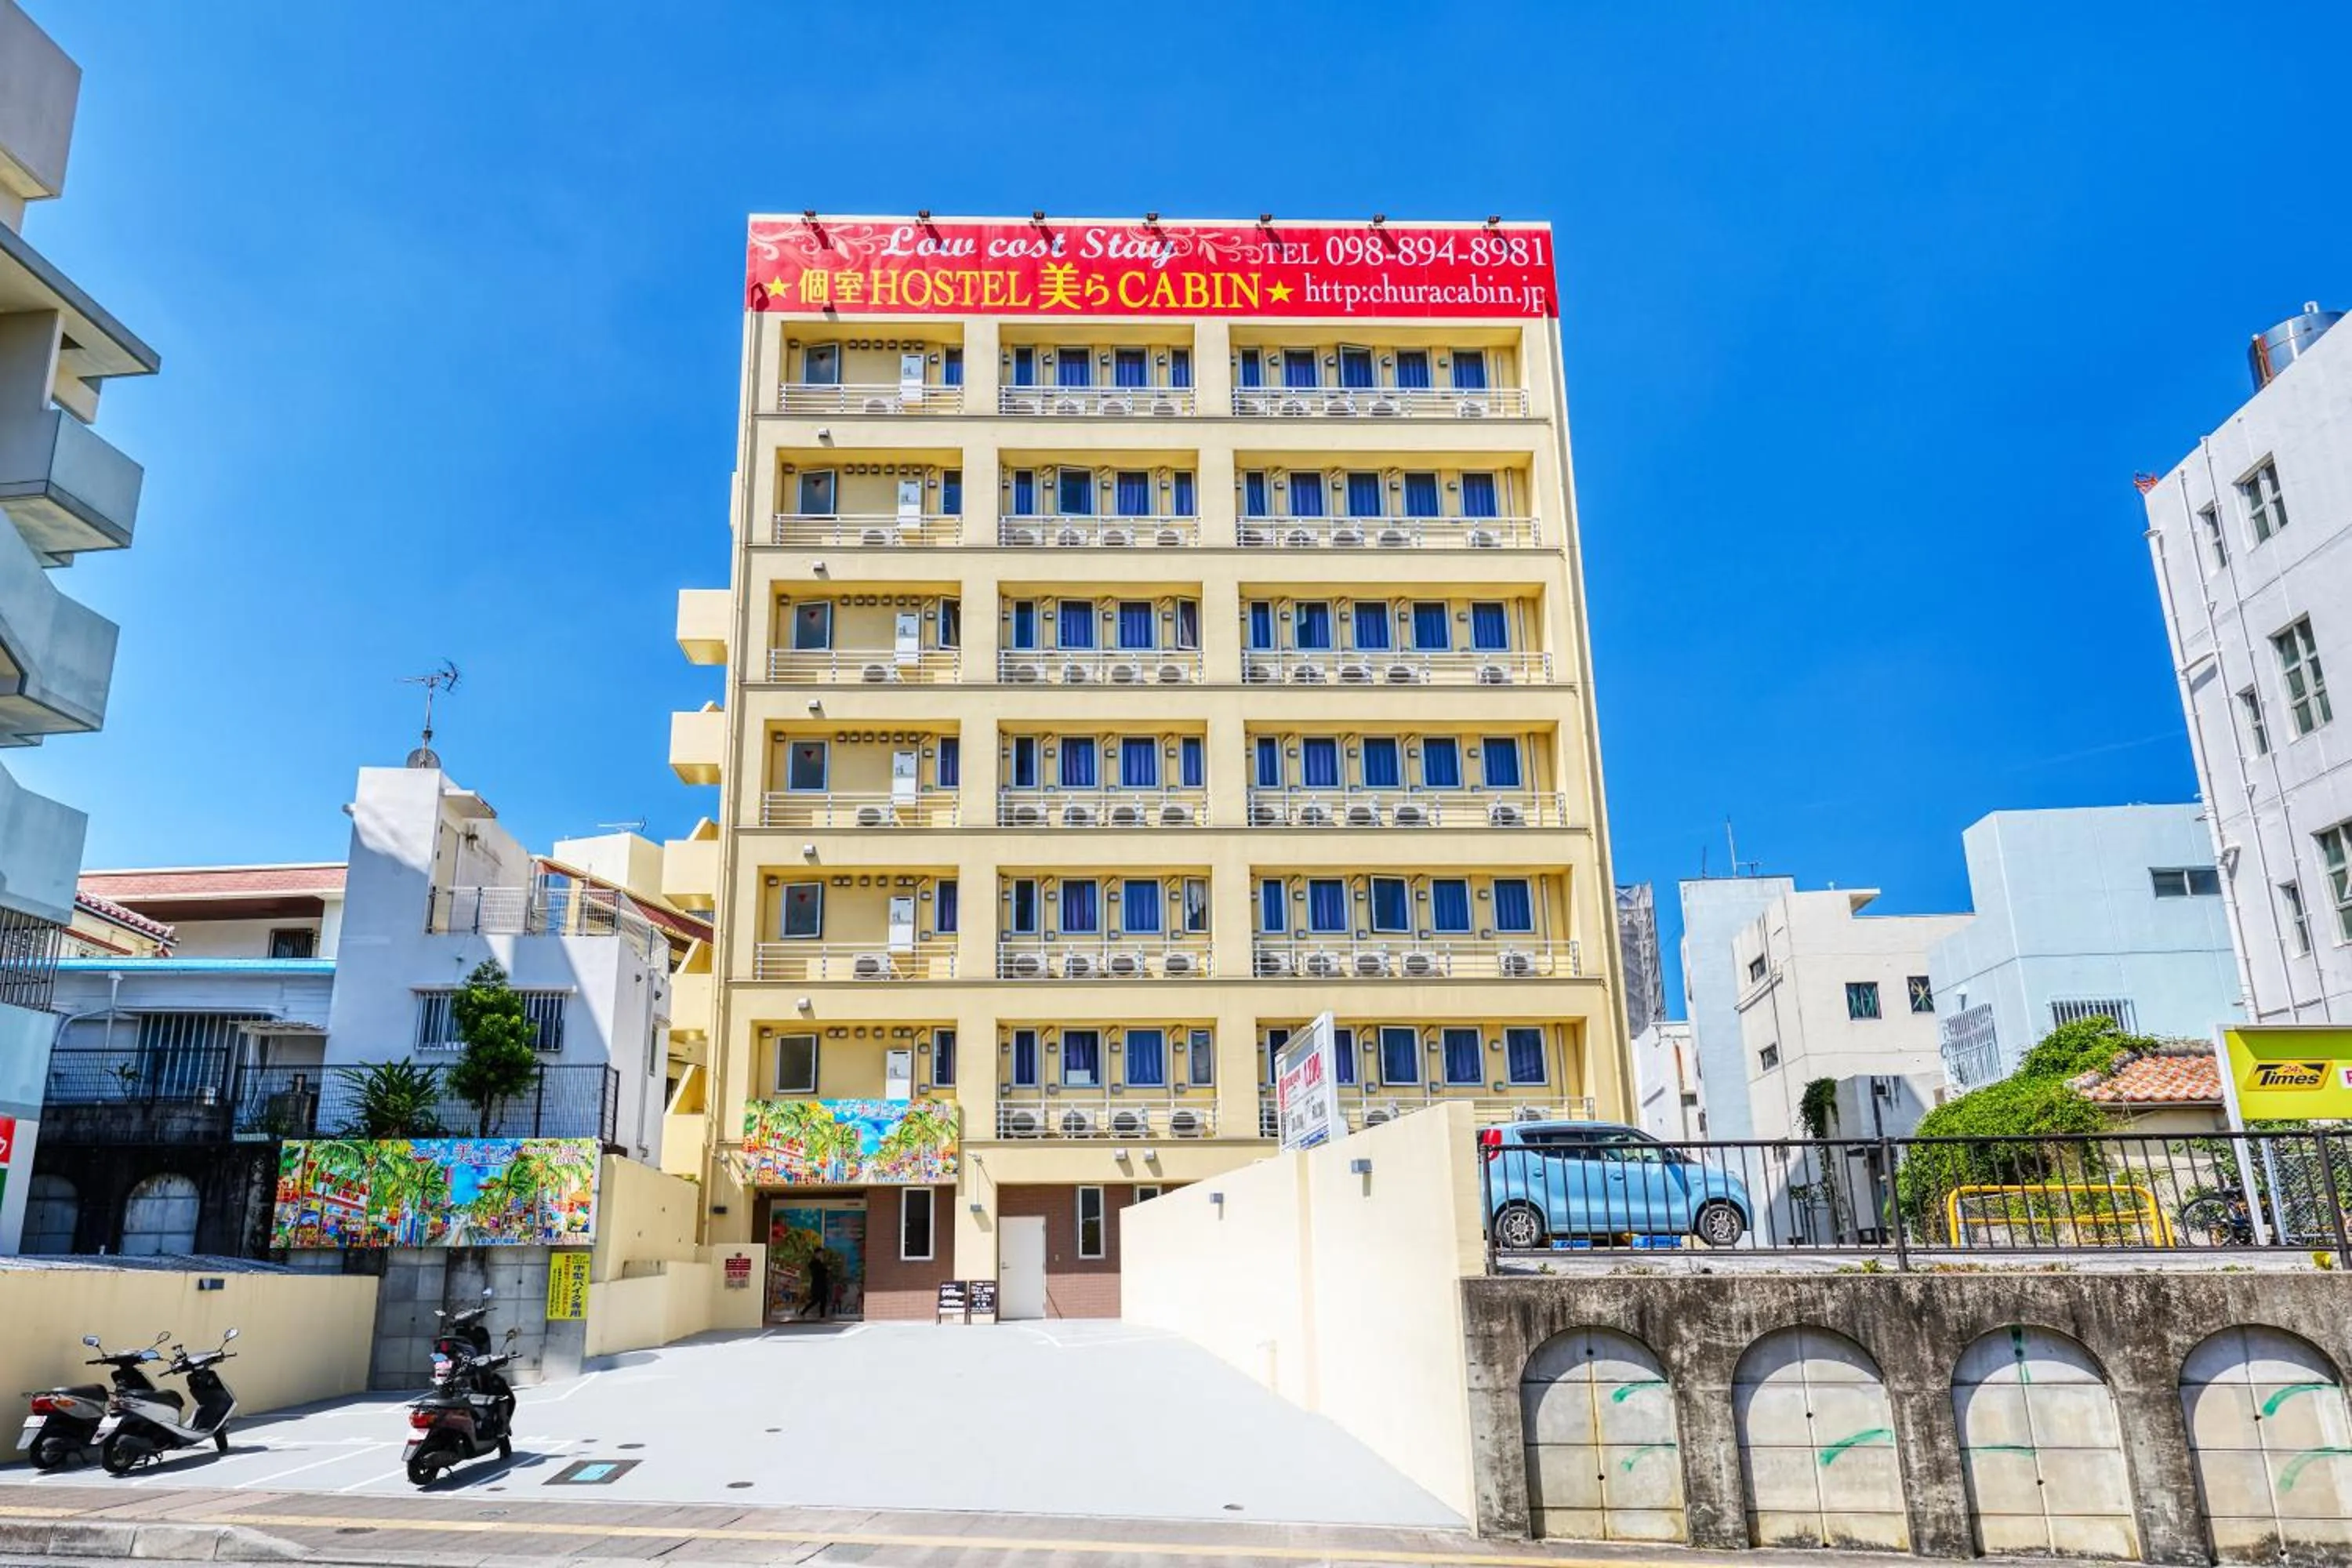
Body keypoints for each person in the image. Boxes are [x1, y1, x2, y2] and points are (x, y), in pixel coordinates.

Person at [800, 1250, 832, 1321]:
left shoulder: (821, 1263)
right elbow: (817, 1272)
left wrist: (826, 1270)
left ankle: (822, 1316)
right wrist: (825, 1269)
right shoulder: (813, 1263)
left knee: (823, 1300)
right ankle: (803, 1312)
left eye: (822, 1254)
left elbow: (824, 1271)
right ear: (816, 1254)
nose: (821, 1255)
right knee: (815, 1300)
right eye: (820, 1254)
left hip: (823, 1283)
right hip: (817, 1284)